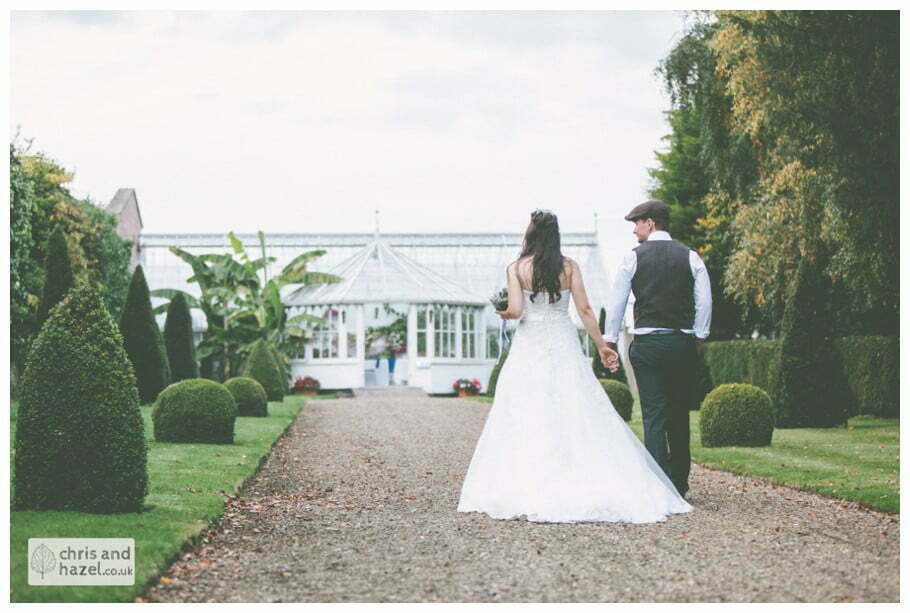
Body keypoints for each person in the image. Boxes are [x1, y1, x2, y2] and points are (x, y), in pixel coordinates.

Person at [457, 209, 693, 523]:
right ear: (556, 237)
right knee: (574, 406)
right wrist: (602, 346)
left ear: (530, 234)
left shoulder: (516, 268)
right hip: (562, 341)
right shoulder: (569, 268)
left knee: (526, 410)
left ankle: (527, 480)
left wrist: (502, 312)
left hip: (530, 347)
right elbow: (584, 309)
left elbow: (515, 311)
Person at [603, 199, 712, 498]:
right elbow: (704, 300)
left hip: (648, 343)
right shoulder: (690, 257)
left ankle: (658, 484)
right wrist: (699, 335)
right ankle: (679, 483)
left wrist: (609, 339)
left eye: (636, 224)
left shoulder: (633, 258)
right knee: (678, 413)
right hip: (681, 342)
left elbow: (617, 302)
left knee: (654, 415)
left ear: (650, 223)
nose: (634, 231)